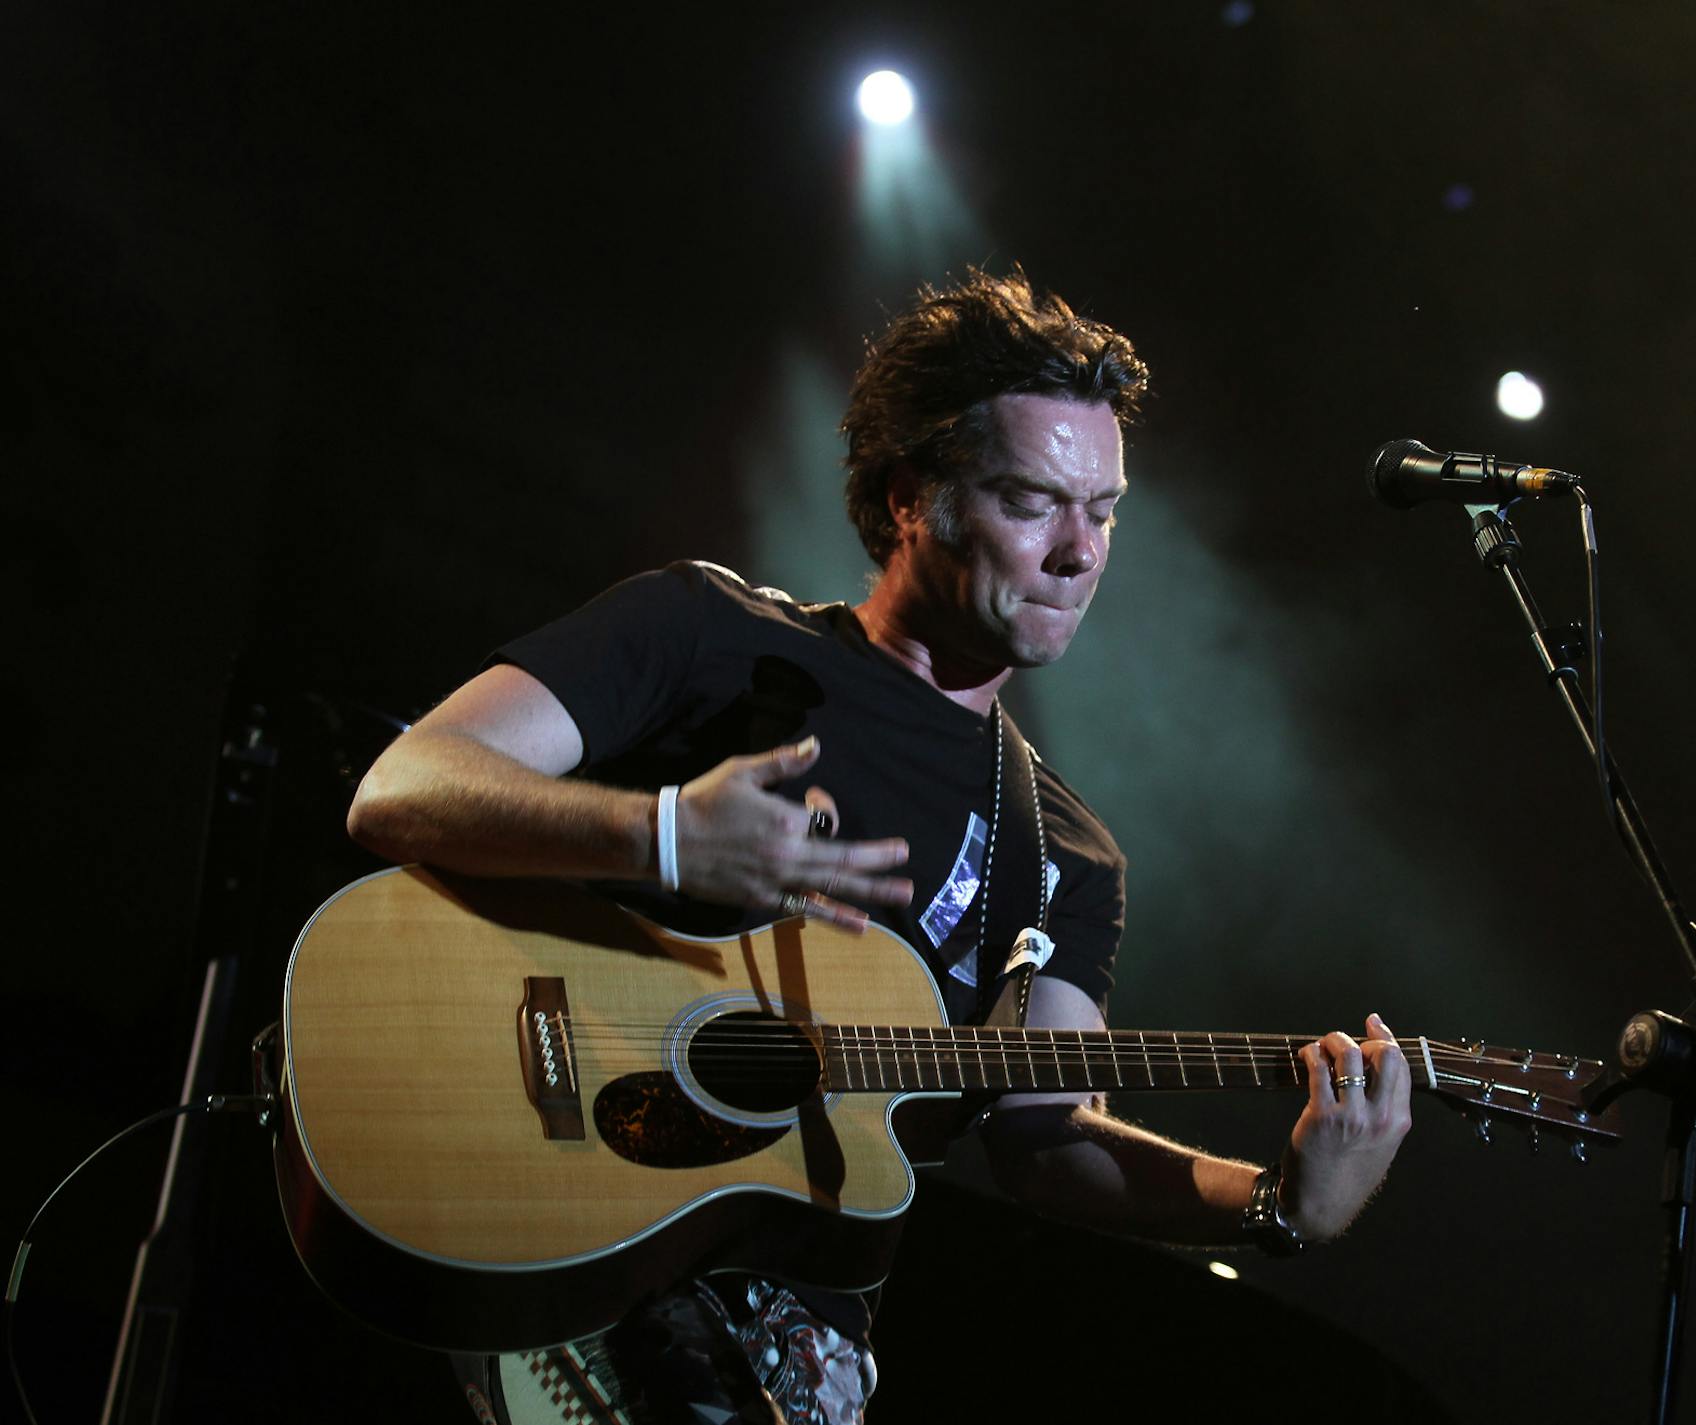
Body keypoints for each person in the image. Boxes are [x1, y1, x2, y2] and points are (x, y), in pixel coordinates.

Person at [346, 267, 1412, 1424]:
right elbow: (405, 784)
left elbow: (1047, 1139)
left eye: (1102, 511)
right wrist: (660, 836)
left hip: (782, 1353)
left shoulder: (1062, 853)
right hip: (534, 1229)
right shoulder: (704, 634)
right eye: (1031, 501)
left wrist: (1279, 1205)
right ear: (914, 497)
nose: (1079, 553)